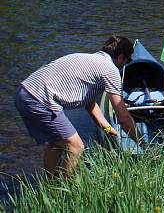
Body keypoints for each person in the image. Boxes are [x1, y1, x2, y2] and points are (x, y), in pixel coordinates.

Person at [14, 36, 140, 177]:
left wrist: (108, 129)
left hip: (23, 93)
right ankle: (65, 192)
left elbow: (90, 105)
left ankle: (51, 187)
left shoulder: (89, 60)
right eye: (128, 60)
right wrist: (142, 144)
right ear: (121, 57)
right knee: (76, 146)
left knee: (56, 143)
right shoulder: (110, 70)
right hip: (39, 98)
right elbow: (123, 118)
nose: (126, 64)